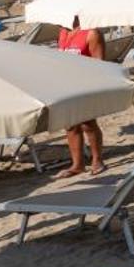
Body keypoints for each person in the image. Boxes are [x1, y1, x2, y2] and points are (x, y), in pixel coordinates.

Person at [56, 16, 108, 176]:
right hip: (67, 83)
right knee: (70, 125)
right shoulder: (63, 32)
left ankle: (97, 160)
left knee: (88, 123)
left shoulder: (91, 33)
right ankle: (77, 164)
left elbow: (99, 63)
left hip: (86, 84)